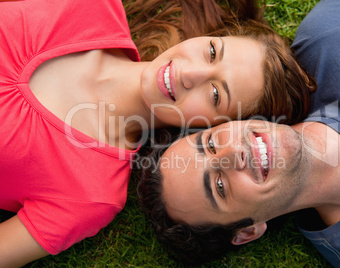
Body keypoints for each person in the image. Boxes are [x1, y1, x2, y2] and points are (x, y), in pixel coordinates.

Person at [0, 0, 317, 266]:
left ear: (215, 129)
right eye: (211, 52)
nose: (189, 73)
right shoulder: (92, 6)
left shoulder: (91, 193)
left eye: (216, 94)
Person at [136, 0, 340, 266]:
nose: (234, 153)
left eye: (211, 144)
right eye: (219, 186)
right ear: (248, 232)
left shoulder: (330, 36)